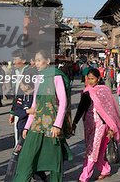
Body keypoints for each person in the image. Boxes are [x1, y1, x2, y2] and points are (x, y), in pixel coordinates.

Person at [14, 50, 70, 182]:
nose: (36, 63)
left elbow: (63, 102)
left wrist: (57, 125)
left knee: (55, 162)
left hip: (52, 126)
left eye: (39, 60)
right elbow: (35, 104)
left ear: (48, 61)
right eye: (35, 60)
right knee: (25, 159)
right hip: (37, 124)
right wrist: (27, 126)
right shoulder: (38, 77)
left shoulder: (56, 76)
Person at [72, 68, 120, 182]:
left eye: (93, 78)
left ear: (98, 78)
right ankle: (105, 169)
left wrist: (111, 127)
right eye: (88, 78)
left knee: (92, 150)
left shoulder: (103, 91)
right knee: (98, 150)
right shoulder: (87, 92)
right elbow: (81, 108)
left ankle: (84, 177)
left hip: (101, 126)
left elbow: (109, 111)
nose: (90, 81)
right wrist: (75, 122)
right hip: (89, 125)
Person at [9, 49, 38, 146]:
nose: (13, 62)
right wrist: (13, 111)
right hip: (20, 107)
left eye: (15, 59)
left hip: (29, 107)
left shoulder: (30, 72)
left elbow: (31, 89)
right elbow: (17, 93)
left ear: (24, 60)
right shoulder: (17, 71)